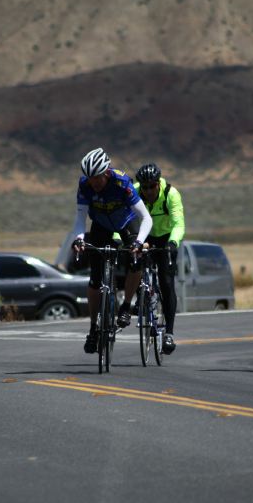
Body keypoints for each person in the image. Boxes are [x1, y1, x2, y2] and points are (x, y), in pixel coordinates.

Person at [70, 148, 152, 354]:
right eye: (90, 178)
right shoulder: (84, 185)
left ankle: (125, 306)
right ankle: (93, 329)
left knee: (136, 259)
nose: (94, 183)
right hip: (101, 226)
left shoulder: (122, 183)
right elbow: (80, 218)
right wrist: (79, 239)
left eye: (97, 178)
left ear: (106, 172)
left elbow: (146, 217)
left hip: (126, 223)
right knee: (95, 279)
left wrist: (139, 242)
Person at [133, 163, 185, 354]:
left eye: (152, 186)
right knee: (135, 267)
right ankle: (141, 296)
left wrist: (173, 243)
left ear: (158, 184)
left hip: (166, 239)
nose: (148, 191)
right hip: (145, 237)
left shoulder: (171, 194)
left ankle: (169, 333)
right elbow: (125, 219)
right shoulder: (135, 192)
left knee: (166, 282)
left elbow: (179, 223)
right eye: (144, 187)